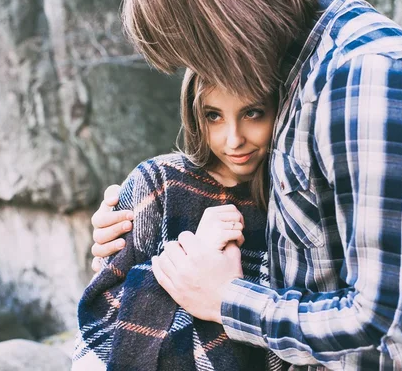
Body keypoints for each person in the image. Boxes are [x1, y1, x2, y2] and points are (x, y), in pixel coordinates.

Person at [91, 0, 402, 369]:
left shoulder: (367, 77)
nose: (207, 72)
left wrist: (225, 300)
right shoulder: (296, 69)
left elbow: (395, 327)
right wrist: (141, 224)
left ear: (223, 2)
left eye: (202, 51)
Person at [73, 69, 282, 370]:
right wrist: (195, 254)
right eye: (214, 116)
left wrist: (228, 294)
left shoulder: (290, 200)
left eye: (253, 113)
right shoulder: (159, 182)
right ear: (194, 115)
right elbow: (101, 317)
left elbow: (286, 342)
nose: (234, 139)